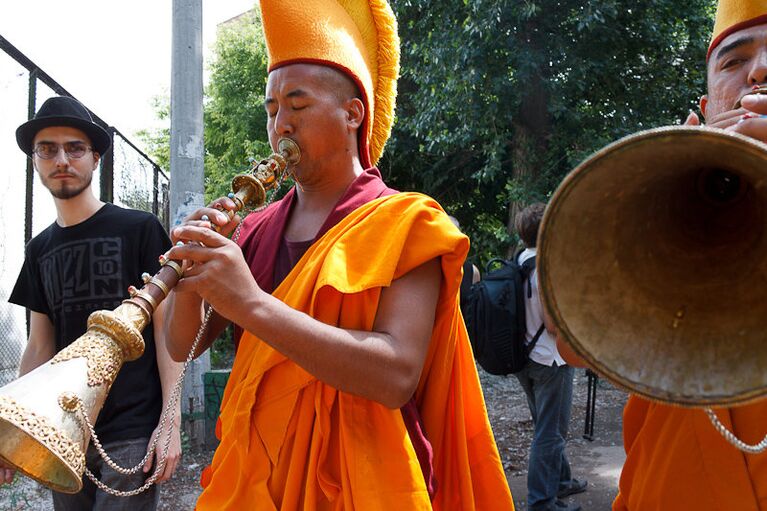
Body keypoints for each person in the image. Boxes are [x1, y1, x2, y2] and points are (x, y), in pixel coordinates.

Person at [163, 0, 514, 509]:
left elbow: (395, 375)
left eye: (298, 106)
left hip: (363, 484)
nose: (281, 124)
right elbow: (184, 346)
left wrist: (252, 304)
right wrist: (193, 278)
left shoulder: (404, 222)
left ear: (352, 114)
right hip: (255, 483)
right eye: (272, 110)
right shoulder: (256, 229)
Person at [558, 2, 767, 508]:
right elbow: (573, 346)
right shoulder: (658, 194)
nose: (760, 71)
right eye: (735, 61)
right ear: (706, 105)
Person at [2, 95, 182, 510]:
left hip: (132, 429)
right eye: (47, 149)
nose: (61, 159)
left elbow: (168, 333)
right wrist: (12, 427)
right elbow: (39, 346)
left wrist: (169, 420)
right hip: (63, 429)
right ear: (35, 161)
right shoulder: (38, 249)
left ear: (95, 158)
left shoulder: (139, 229)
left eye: (74, 148)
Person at [511, 203, 586, 511]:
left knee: (545, 423)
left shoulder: (518, 261)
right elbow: (554, 325)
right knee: (551, 431)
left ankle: (561, 481)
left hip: (523, 358)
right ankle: (542, 501)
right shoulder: (546, 267)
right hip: (549, 360)